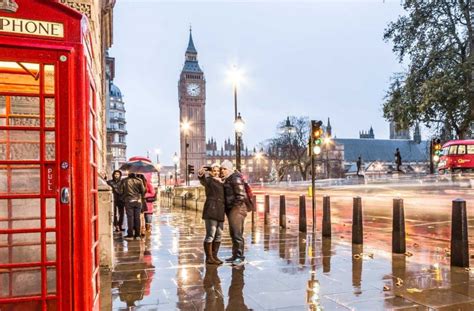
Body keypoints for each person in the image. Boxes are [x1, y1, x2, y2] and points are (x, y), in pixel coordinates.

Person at [220, 160, 248, 266]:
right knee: (233, 234)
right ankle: (235, 255)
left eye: (224, 168)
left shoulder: (235, 177)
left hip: (238, 210)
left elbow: (241, 195)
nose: (222, 170)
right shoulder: (228, 179)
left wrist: (234, 209)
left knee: (237, 235)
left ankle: (240, 257)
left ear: (229, 169)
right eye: (222, 168)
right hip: (233, 211)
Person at [198, 163, 225, 265]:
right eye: (214, 171)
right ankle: (209, 258)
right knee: (210, 235)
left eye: (218, 171)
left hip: (220, 211)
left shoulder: (223, 182)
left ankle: (214, 256)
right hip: (211, 209)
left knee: (219, 235)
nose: (217, 173)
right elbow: (202, 179)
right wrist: (201, 174)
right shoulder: (209, 180)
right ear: (211, 172)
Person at [120, 172, 146, 241]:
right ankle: (137, 235)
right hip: (138, 201)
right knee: (137, 218)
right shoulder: (139, 180)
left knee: (130, 218)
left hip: (128, 201)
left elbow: (120, 191)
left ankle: (130, 235)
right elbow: (143, 191)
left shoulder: (124, 180)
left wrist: (124, 197)